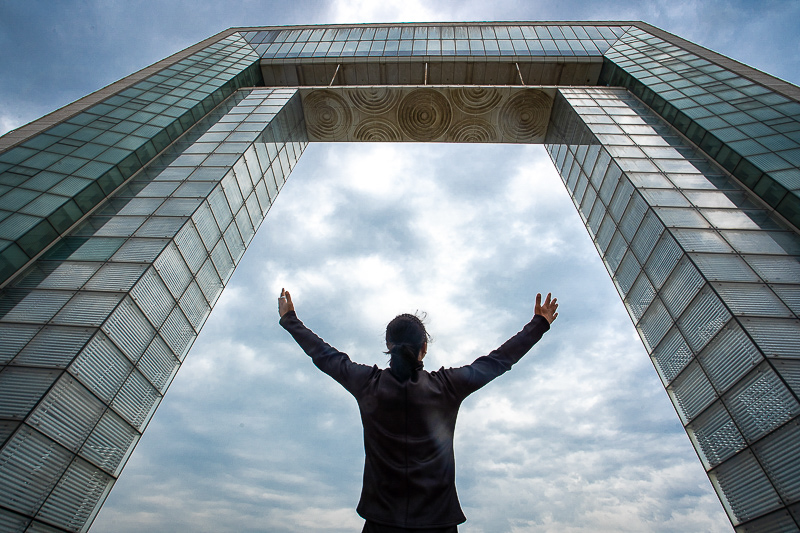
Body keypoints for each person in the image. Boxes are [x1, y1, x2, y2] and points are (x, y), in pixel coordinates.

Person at [278, 288, 558, 533]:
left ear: (388, 346)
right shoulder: (447, 386)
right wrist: (538, 324)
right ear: (424, 347)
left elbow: (325, 355)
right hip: (439, 524)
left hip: (381, 523)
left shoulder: (368, 384)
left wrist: (290, 320)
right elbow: (498, 361)